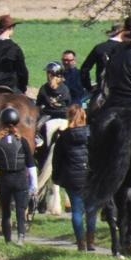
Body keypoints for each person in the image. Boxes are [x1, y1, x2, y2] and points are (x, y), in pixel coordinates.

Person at [0, 106, 36, 245]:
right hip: (21, 180)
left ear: (2, 122)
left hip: (4, 180)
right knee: (20, 210)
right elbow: (31, 165)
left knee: (6, 211)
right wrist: (34, 185)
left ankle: (7, 240)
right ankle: (21, 238)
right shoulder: (23, 141)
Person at [51, 105, 92, 250]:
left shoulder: (63, 137)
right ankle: (91, 241)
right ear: (84, 117)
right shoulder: (91, 134)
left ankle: (81, 242)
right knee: (91, 209)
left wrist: (56, 176)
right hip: (89, 175)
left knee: (76, 210)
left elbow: (57, 159)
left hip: (71, 177)